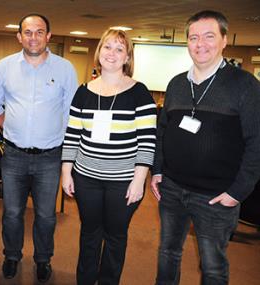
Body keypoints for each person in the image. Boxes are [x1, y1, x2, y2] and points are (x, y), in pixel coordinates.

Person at [151, 10, 260, 285]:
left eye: (209, 36)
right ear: (187, 42)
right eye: (194, 37)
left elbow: (257, 142)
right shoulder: (176, 84)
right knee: (168, 253)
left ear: (224, 39)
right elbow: (162, 131)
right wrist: (157, 170)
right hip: (173, 189)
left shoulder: (244, 84)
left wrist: (238, 192)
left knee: (213, 267)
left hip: (216, 196)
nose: (200, 44)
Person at [61, 29, 157, 285]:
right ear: (99, 51)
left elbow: (148, 141)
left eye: (119, 49)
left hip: (123, 181)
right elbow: (72, 135)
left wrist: (139, 181)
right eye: (107, 47)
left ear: (127, 58)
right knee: (89, 234)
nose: (112, 53)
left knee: (115, 236)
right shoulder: (83, 91)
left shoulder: (140, 93)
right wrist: (66, 172)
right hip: (86, 178)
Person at [0, 13, 78, 283]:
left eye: (40, 32)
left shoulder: (65, 69)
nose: (34, 37)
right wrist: (10, 127)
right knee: (12, 213)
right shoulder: (4, 67)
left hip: (50, 158)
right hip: (13, 156)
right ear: (19, 36)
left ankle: (43, 259)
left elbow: (71, 112)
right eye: (28, 32)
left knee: (46, 216)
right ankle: (12, 256)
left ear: (48, 36)